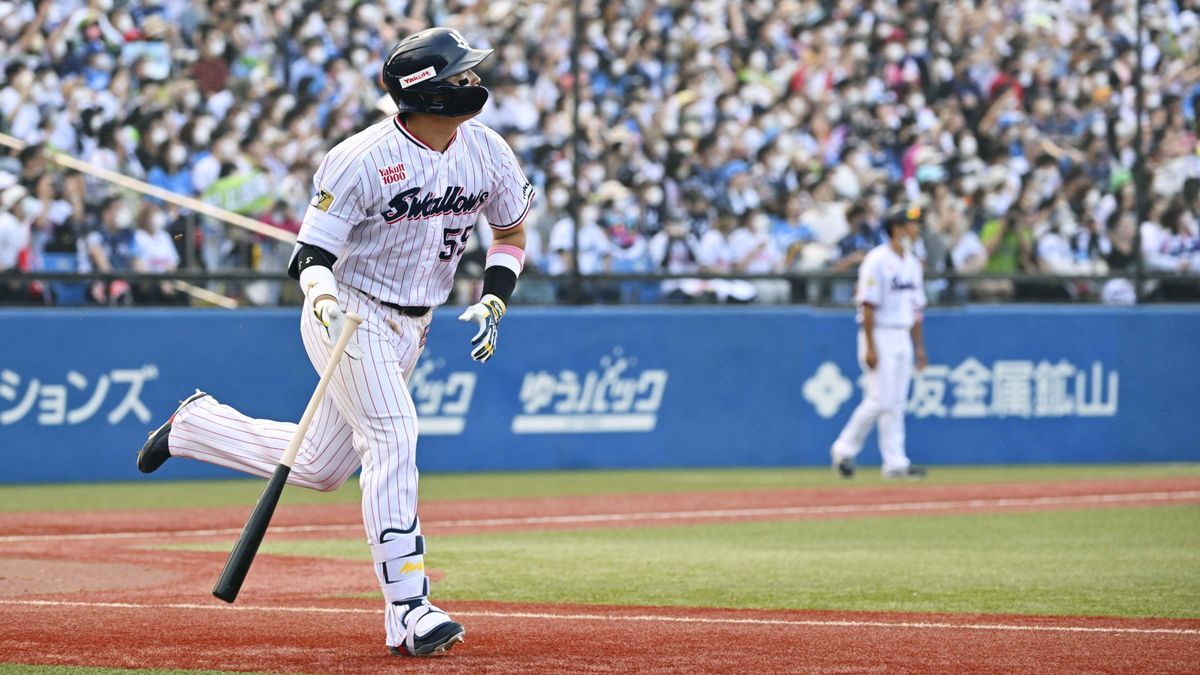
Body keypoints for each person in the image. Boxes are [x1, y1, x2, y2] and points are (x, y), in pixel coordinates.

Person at [133, 28, 534, 658]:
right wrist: (320, 293)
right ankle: (409, 607)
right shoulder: (360, 157)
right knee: (394, 434)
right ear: (424, 90)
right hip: (349, 313)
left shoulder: (487, 150)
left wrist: (494, 297)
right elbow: (309, 252)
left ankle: (196, 426)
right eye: (459, 76)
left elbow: (510, 232)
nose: (472, 83)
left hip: (416, 322)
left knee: (321, 467)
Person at [829, 204, 928, 480]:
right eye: (912, 223)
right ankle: (843, 448)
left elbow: (917, 310)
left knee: (895, 402)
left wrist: (919, 347)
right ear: (896, 228)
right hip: (879, 332)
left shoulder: (911, 262)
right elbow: (868, 305)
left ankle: (895, 463)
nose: (916, 229)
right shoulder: (876, 259)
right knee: (879, 399)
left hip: (903, 333)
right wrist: (870, 345)